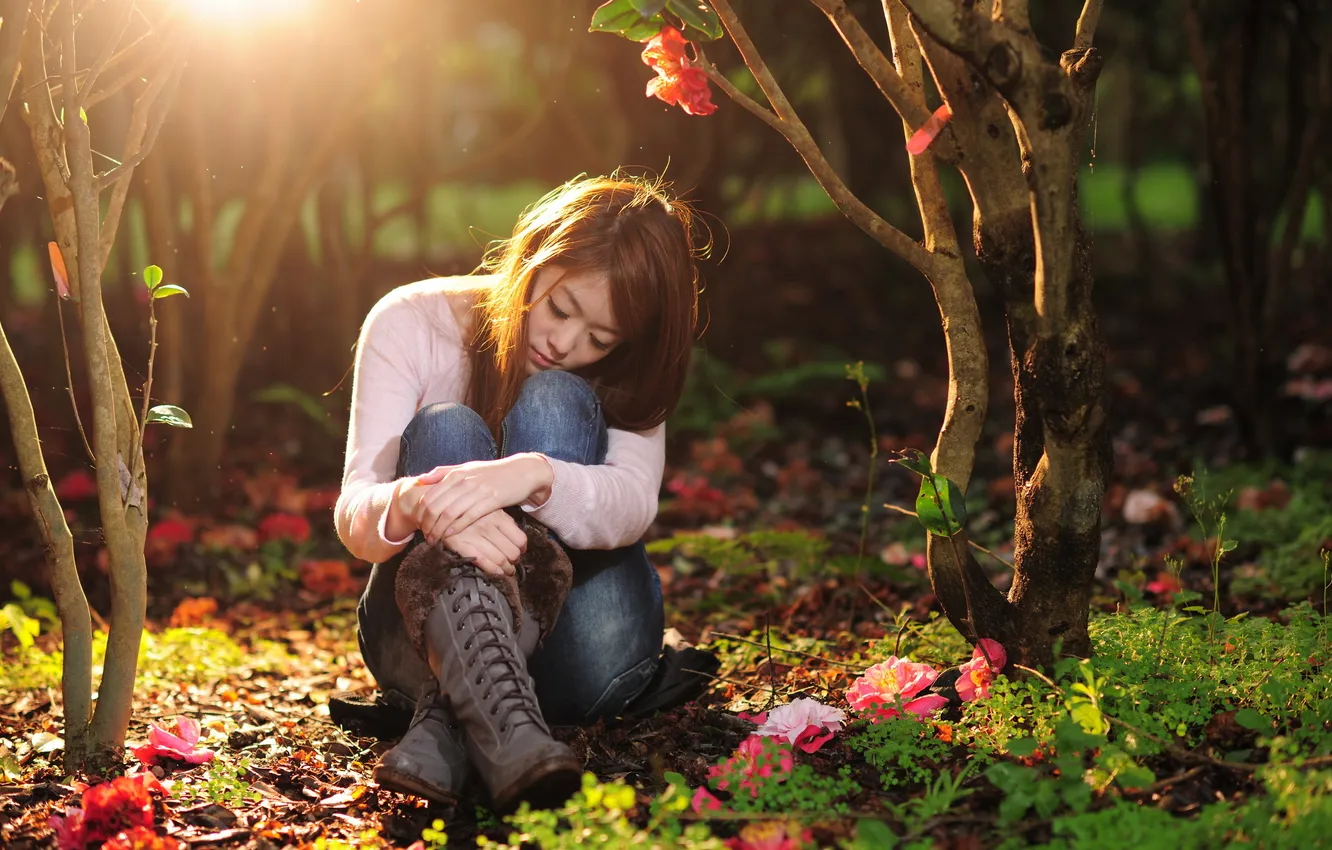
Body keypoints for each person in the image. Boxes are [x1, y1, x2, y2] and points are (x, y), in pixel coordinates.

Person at [334, 174, 703, 813]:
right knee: (446, 426)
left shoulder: (625, 372)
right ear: (534, 257)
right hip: (416, 644)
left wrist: (532, 475)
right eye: (561, 309)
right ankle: (512, 735)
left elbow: (634, 503)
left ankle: (450, 722)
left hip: (584, 656)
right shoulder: (412, 322)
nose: (565, 344)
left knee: (556, 400)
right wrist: (420, 501)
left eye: (600, 339)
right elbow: (356, 511)